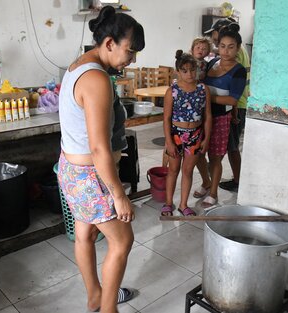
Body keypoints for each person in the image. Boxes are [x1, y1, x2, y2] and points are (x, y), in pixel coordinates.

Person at [57, 6, 144, 313]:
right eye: (130, 51)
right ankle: (108, 309)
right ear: (109, 43)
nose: (131, 59)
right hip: (91, 176)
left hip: (71, 170)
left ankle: (95, 295)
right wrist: (118, 195)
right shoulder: (96, 79)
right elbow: (99, 149)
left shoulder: (77, 66)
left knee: (85, 232)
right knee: (122, 242)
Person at [193, 18, 250, 198]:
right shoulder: (212, 63)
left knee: (215, 156)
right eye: (222, 46)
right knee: (198, 153)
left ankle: (214, 193)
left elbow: (233, 100)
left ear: (238, 47)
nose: (225, 51)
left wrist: (208, 96)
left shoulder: (238, 70)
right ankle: (206, 182)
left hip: (220, 118)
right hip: (202, 116)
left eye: (231, 46)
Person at [161, 50, 212, 216]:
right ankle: (168, 203)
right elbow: (166, 118)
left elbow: (208, 116)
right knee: (173, 170)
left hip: (195, 136)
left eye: (192, 69)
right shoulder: (172, 91)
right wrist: (169, 141)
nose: (189, 74)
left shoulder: (203, 89)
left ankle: (183, 205)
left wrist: (206, 138)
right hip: (176, 135)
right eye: (184, 70)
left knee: (188, 171)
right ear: (178, 71)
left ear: (197, 68)